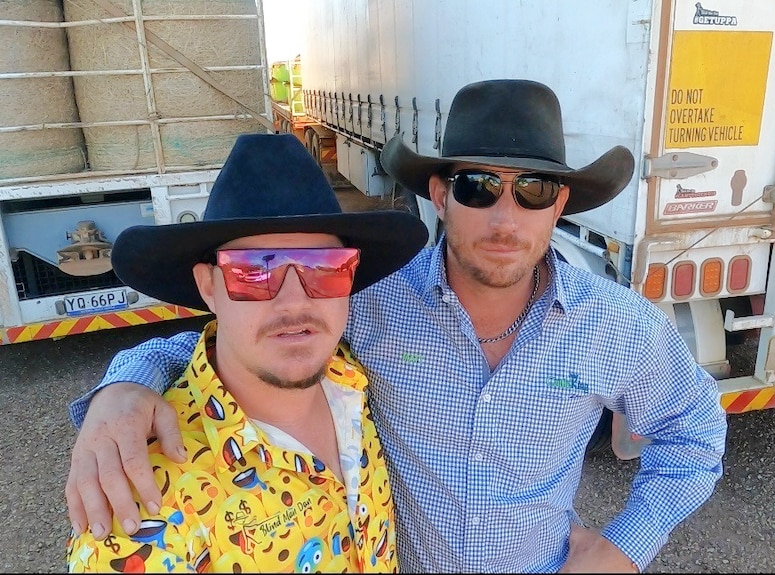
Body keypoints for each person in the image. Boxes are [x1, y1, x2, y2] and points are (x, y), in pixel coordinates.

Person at [66, 79, 728, 573]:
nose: (505, 217)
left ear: (559, 203)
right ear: (439, 195)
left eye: (530, 190)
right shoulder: (376, 296)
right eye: (476, 186)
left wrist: (625, 547)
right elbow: (254, 333)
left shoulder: (617, 326)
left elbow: (694, 432)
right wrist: (124, 387)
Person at [65, 132, 428, 572]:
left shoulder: (353, 380)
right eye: (255, 271)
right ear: (207, 287)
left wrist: (126, 381)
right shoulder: (145, 507)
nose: (296, 302)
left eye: (326, 269)